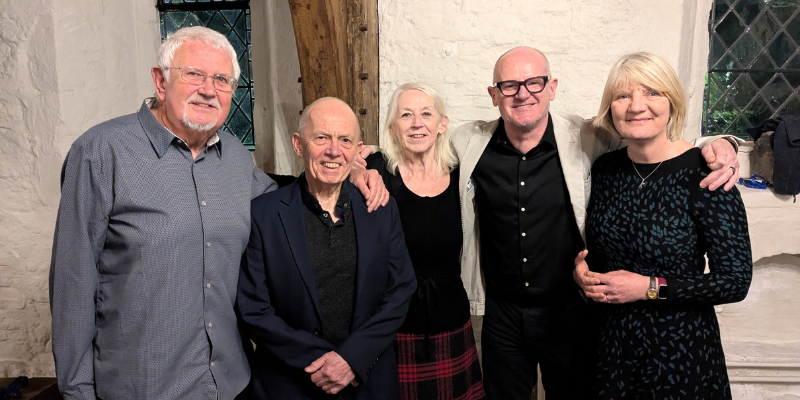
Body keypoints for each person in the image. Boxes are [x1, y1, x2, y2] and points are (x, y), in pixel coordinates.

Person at [49, 27, 386, 400]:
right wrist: (77, 392)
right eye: (193, 74)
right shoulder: (101, 152)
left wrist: (346, 171)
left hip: (230, 384)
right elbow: (73, 284)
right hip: (143, 385)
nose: (208, 89)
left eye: (222, 80)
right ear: (160, 81)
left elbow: (290, 197)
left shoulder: (235, 158)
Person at [449, 46, 743, 399]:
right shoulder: (606, 168)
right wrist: (366, 161)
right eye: (510, 85)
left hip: (660, 342)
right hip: (575, 333)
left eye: (535, 82)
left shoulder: (593, 143)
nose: (523, 93)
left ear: (552, 87)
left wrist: (721, 142)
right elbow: (418, 151)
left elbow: (734, 281)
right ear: (494, 94)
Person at [573, 52, 752, 399]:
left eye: (652, 92)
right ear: (610, 108)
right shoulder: (606, 170)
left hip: (681, 353)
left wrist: (648, 287)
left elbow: (735, 282)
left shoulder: (707, 174)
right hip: (610, 350)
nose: (637, 106)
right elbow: (606, 254)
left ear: (672, 102)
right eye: (622, 96)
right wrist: (581, 274)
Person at [237, 97, 417, 400]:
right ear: (298, 144)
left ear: (357, 150)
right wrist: (325, 362)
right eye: (321, 137)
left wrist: (352, 359)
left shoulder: (381, 208)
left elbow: (400, 289)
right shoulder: (263, 215)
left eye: (345, 140)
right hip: (291, 383)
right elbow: (254, 309)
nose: (334, 150)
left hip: (367, 380)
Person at [366, 83, 486, 400]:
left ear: (441, 123)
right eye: (406, 115)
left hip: (452, 319)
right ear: (393, 127)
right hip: (395, 324)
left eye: (426, 113)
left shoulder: (463, 177)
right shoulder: (378, 173)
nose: (417, 123)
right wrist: (358, 166)